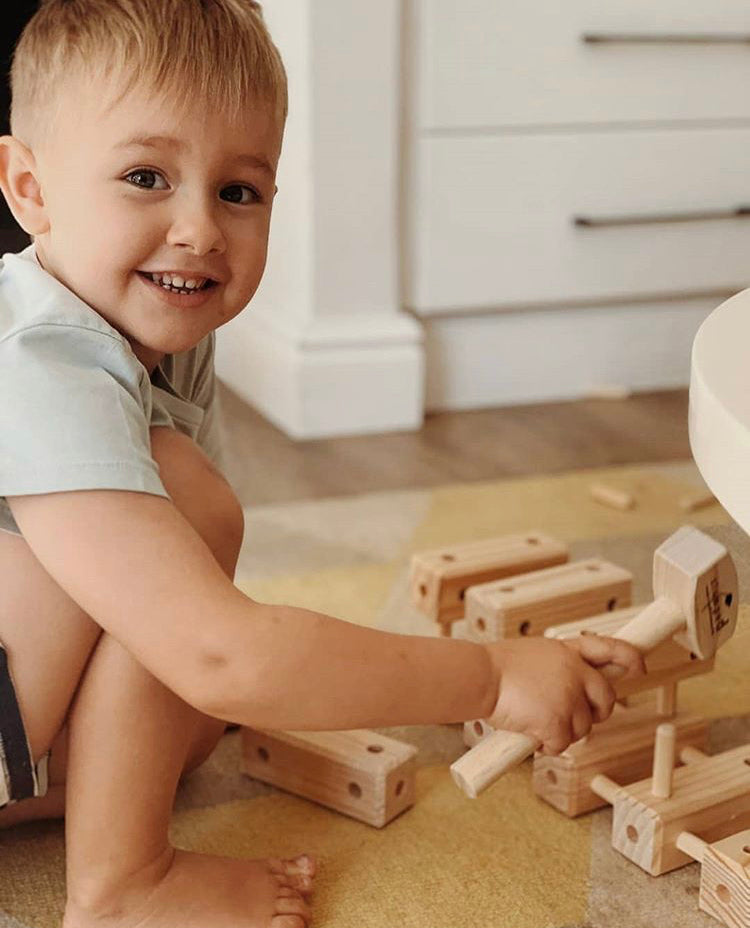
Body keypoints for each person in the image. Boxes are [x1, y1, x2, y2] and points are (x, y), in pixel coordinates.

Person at [0, 2, 645, 926]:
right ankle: (123, 890)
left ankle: (54, 796)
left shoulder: (154, 332)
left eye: (238, 191)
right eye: (146, 177)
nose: (199, 229)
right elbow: (218, 649)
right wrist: (491, 678)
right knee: (190, 526)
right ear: (29, 188)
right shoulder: (41, 358)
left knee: (181, 733)